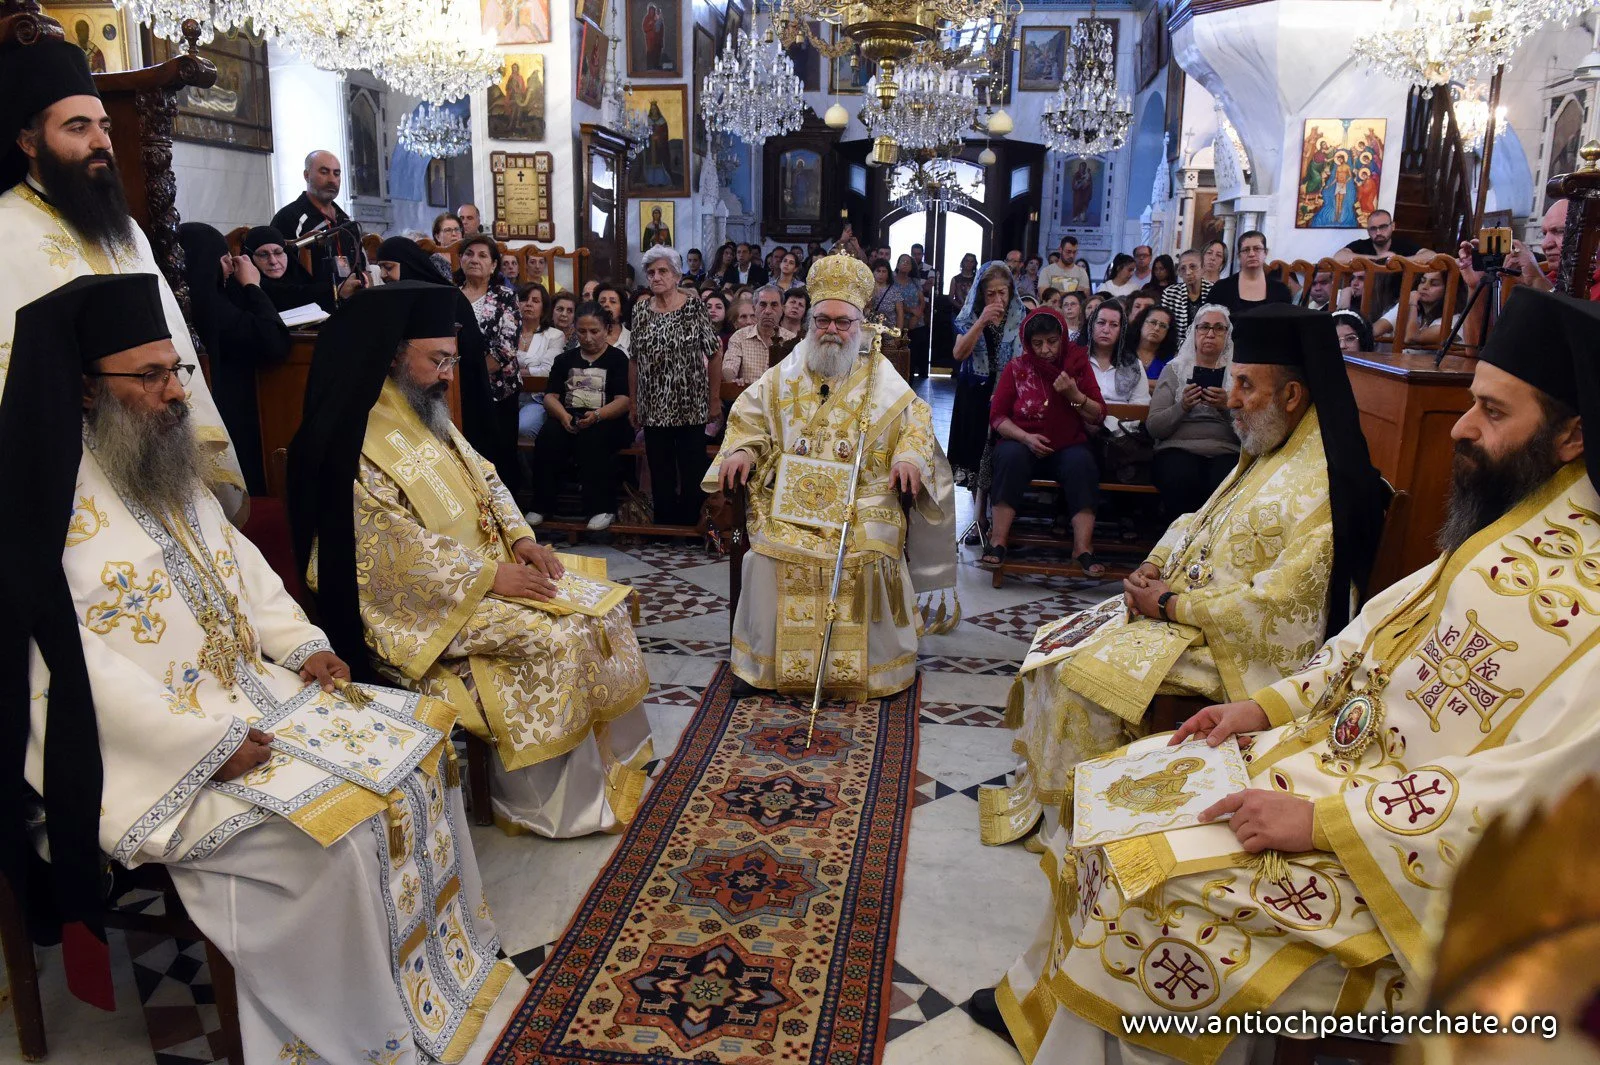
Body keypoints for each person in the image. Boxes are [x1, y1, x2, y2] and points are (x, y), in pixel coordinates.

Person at [978, 289, 1596, 1064]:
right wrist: (1262, 708)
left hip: (1400, 861)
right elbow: (1364, 645)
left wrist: (1324, 822)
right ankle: (1049, 1010)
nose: (1465, 429)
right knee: (1119, 791)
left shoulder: (1586, 609)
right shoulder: (1503, 534)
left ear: (1573, 435)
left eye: (1494, 413)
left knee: (1158, 892)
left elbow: (1533, 796)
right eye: (1471, 403)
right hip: (1323, 768)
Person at [2, 273, 510, 1062]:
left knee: (420, 750)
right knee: (330, 840)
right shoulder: (41, 506)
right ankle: (354, 1034)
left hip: (258, 697)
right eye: (151, 376)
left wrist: (302, 644)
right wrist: (202, 747)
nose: (177, 395)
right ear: (82, 390)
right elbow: (66, 674)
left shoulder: (153, 462)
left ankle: (441, 979)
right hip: (149, 757)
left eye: (179, 371)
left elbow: (240, 564)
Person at [977, 301, 1382, 851]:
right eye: (1234, 383)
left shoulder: (1321, 485)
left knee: (1082, 681)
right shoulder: (1268, 450)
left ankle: (1093, 835)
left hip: (1232, 649)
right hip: (1185, 614)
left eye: (1245, 386)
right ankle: (1059, 811)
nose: (1232, 400)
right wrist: (1153, 565)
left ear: (1291, 396)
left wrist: (1170, 606)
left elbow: (1285, 603)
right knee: (1057, 645)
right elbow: (1196, 519)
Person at [290, 281, 653, 837]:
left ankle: (616, 767)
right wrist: (488, 577)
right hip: (424, 609)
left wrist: (522, 541)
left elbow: (486, 479)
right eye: (437, 361)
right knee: (557, 636)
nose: (447, 375)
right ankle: (547, 803)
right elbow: (387, 545)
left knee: (601, 607)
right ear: (393, 355)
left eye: (451, 361)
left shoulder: (424, 414)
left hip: (486, 572)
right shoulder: (357, 437)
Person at [0, 37, 247, 517]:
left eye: (105, 127)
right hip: (73, 464)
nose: (101, 142)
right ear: (29, 142)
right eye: (78, 127)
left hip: (156, 442)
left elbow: (170, 334)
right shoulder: (6, 230)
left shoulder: (126, 230)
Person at [707, 250, 959, 697]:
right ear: (810, 321)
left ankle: (874, 668)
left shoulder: (880, 371)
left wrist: (908, 459)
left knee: (869, 550)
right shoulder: (786, 370)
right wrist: (742, 449)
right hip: (792, 494)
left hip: (866, 494)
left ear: (859, 325)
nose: (832, 331)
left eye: (844, 323)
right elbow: (749, 415)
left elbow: (916, 421)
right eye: (823, 320)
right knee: (767, 553)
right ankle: (764, 665)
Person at [980, 306, 1106, 575]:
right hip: (1023, 441)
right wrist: (1026, 438)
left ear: (1062, 338)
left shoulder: (1077, 366)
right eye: (1037, 344)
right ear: (1027, 343)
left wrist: (1073, 393)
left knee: (1082, 462)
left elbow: (1098, 415)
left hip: (1067, 443)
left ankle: (1082, 547)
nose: (1046, 349)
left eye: (1051, 342)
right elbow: (997, 417)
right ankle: (998, 540)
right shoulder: (1017, 368)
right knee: (1009, 456)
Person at [178, 222, 289, 496]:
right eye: (225, 260)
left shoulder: (188, 299)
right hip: (234, 416)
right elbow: (274, 342)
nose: (230, 267)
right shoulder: (212, 306)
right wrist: (252, 285)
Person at [629, 246, 722, 525]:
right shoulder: (641, 311)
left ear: (676, 275)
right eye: (651, 272)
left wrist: (714, 398)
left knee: (692, 468)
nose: (656, 277)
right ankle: (665, 527)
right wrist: (633, 402)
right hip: (653, 405)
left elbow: (714, 352)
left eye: (663, 271)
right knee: (660, 469)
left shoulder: (694, 308)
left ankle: (690, 527)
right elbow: (634, 359)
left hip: (691, 403)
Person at [528, 302, 633, 530]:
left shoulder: (618, 359)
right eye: (582, 331)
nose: (588, 337)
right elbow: (550, 397)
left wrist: (597, 415)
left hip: (607, 419)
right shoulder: (564, 360)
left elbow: (624, 400)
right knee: (548, 435)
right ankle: (541, 505)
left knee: (594, 437)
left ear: (606, 329)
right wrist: (563, 416)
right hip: (569, 417)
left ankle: (601, 508)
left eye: (594, 331)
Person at [1148, 305, 1239, 519]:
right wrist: (1183, 406)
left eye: (1219, 328)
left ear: (1228, 334)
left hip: (1226, 449)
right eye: (1204, 327)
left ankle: (1213, 548)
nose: (1210, 334)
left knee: (1225, 480)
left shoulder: (1239, 373)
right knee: (1180, 475)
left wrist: (1226, 408)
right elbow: (1154, 427)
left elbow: (1254, 432)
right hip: (1178, 448)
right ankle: (1178, 545)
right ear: (1194, 332)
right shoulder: (1174, 369)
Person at [950, 261, 1026, 491]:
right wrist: (982, 321)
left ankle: (995, 509)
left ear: (1010, 291)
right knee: (974, 456)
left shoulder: (1020, 316)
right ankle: (978, 515)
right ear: (981, 294)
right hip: (975, 390)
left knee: (998, 456)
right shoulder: (971, 316)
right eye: (990, 293)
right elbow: (959, 354)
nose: (997, 299)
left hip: (1008, 390)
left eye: (1002, 293)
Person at [458, 234, 523, 491]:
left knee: (500, 457)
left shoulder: (505, 296)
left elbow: (506, 347)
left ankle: (508, 522)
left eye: (482, 255)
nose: (474, 259)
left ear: (494, 265)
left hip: (498, 392)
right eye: (469, 254)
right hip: (459, 394)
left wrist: (473, 379)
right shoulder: (450, 296)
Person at [269, 150, 362, 285]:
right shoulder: (288, 218)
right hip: (310, 303)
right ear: (307, 175)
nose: (332, 180)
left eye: (336, 174)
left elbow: (363, 268)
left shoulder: (346, 221)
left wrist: (364, 279)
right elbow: (281, 278)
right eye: (324, 172)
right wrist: (333, 293)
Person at [515, 281, 565, 440]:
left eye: (535, 301)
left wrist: (514, 369)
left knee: (524, 428)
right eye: (524, 299)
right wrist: (532, 366)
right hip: (506, 396)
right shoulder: (507, 331)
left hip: (535, 399)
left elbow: (547, 371)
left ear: (543, 308)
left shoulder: (554, 335)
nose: (528, 304)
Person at [722, 284, 795, 386]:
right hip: (748, 398)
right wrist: (734, 381)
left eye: (774, 305)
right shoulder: (739, 337)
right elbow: (729, 367)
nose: (768, 311)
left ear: (782, 309)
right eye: (763, 305)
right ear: (754, 308)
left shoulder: (792, 340)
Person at [1373, 267, 1464, 348]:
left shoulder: (1453, 320)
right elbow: (1374, 330)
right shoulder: (1410, 305)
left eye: (1434, 284)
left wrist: (1413, 304)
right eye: (1422, 281)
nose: (1425, 287)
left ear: (1449, 289)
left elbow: (1411, 338)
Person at [1209, 230, 1293, 315]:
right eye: (1246, 250)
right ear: (1239, 256)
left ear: (1265, 253)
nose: (1252, 254)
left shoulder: (1281, 290)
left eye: (1257, 249)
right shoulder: (1221, 288)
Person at [1335, 207, 1432, 263]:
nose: (1378, 233)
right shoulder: (1361, 245)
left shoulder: (1404, 245)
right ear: (1368, 230)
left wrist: (1398, 261)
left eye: (1383, 227)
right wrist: (1378, 259)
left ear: (1393, 226)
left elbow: (1431, 256)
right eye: (1373, 228)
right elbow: (1339, 257)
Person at [1160, 249, 1214, 348]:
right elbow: (1165, 327)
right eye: (1183, 269)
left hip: (1207, 348)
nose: (1188, 272)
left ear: (1203, 268)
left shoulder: (1214, 290)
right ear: (1179, 273)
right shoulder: (1170, 293)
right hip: (1176, 350)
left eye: (1193, 267)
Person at [1127, 304, 1178, 382]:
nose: (1157, 328)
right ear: (1141, 323)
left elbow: (1169, 387)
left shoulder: (1172, 360)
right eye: (1153, 322)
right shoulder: (1125, 350)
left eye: (1163, 326)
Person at [885, 254, 925, 331]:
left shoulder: (915, 281)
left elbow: (922, 301)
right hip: (897, 322)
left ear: (911, 267)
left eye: (908, 262)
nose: (905, 263)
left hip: (916, 322)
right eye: (903, 261)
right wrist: (911, 310)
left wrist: (916, 316)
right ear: (897, 265)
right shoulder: (891, 282)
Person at [594, 282, 633, 354]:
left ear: (621, 310)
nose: (606, 304)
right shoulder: (587, 338)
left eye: (613, 301)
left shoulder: (632, 340)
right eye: (602, 301)